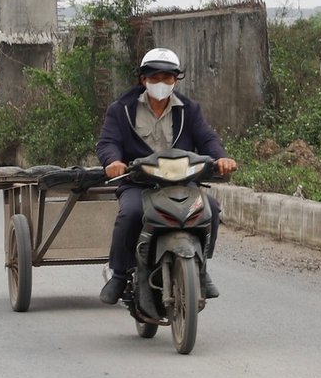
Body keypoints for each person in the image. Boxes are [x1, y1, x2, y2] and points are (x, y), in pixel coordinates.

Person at [95, 47, 238, 304]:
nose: (161, 83)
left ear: (175, 80)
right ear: (143, 79)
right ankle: (119, 274)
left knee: (211, 210)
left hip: (182, 182)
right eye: (155, 77)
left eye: (167, 78)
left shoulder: (189, 110)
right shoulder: (121, 109)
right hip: (139, 183)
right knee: (130, 213)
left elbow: (207, 138)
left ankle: (201, 269)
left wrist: (221, 158)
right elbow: (108, 142)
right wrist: (113, 161)